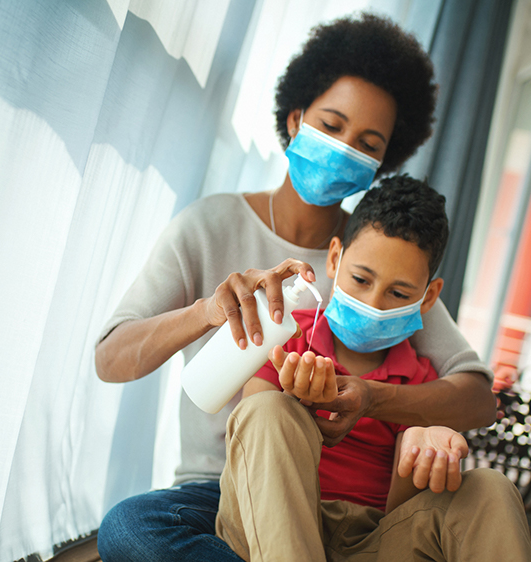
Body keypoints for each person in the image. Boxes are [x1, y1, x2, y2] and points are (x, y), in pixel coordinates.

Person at [95, 13, 497, 562]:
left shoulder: (374, 259)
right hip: (217, 487)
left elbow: (474, 395)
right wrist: (208, 311)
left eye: (367, 143)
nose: (344, 148)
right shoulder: (211, 225)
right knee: (132, 529)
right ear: (296, 118)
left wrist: (375, 399)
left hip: (341, 497)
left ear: (382, 163)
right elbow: (111, 359)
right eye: (331, 126)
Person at [215, 175, 531, 561]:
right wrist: (293, 397)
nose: (374, 302)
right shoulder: (287, 335)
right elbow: (253, 436)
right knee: (268, 409)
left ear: (428, 297)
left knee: (490, 488)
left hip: (369, 542)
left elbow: (402, 513)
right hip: (267, 524)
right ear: (335, 259)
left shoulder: (421, 383)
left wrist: (420, 457)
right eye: (361, 279)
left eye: (398, 293)